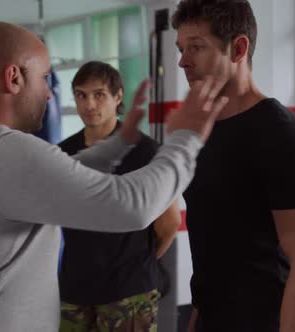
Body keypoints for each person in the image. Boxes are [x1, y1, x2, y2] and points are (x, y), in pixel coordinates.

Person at [0, 21, 229, 332]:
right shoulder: (3, 150)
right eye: (45, 78)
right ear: (13, 77)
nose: (49, 93)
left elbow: (59, 173)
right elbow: (133, 206)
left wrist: (117, 145)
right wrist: (187, 138)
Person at [171, 1, 295, 331]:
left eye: (197, 47)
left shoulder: (286, 138)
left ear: (238, 48)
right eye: (181, 48)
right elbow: (213, 249)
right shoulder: (200, 133)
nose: (183, 61)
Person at [58, 61, 181, 332]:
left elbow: (169, 223)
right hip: (75, 290)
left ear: (118, 96)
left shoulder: (147, 152)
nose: (89, 104)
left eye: (99, 94)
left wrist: (136, 262)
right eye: (81, 95)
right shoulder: (63, 154)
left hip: (128, 293)